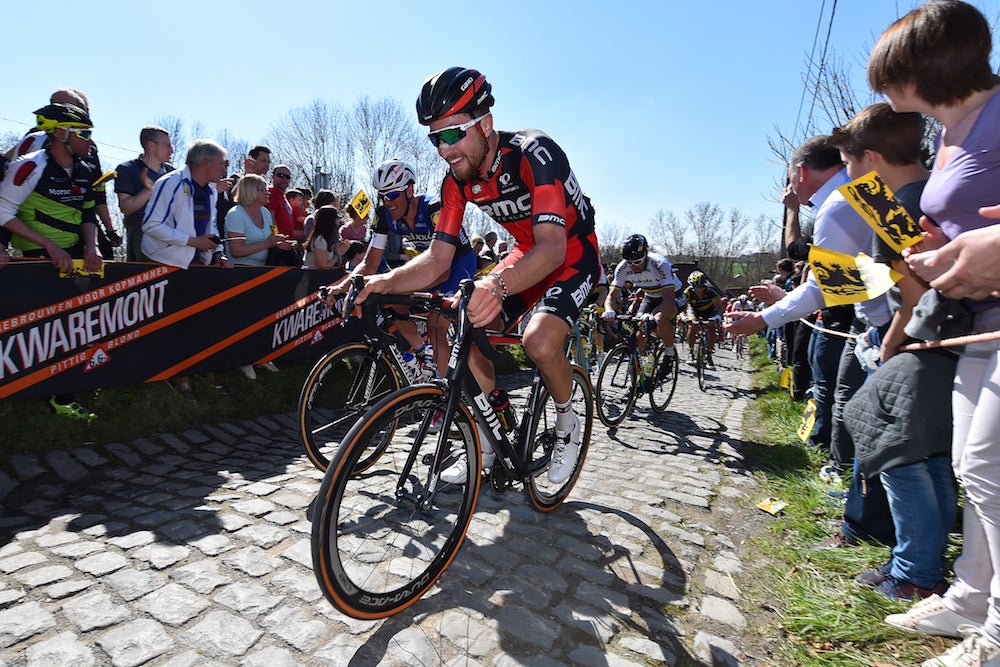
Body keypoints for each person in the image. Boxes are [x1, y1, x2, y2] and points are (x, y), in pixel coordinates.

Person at [349, 66, 601, 486]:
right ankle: (486, 436)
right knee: (459, 324)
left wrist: (495, 284)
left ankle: (566, 421)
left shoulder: (534, 153)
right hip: (527, 255)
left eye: (453, 134)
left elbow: (553, 248)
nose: (444, 150)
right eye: (435, 138)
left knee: (539, 341)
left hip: (572, 253)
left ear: (485, 124)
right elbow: (438, 259)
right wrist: (384, 282)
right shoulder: (456, 180)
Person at [866, 2, 1000, 664]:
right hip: (974, 318)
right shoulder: (948, 134)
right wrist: (934, 249)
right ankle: (971, 596)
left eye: (888, 76)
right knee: (973, 468)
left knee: (990, 467)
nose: (884, 92)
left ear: (922, 68)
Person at [0, 103, 104, 420]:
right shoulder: (30, 166)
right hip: (37, 256)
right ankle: (55, 396)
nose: (89, 140)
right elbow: (3, 212)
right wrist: (47, 245)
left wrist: (92, 245)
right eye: (83, 134)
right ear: (60, 133)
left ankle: (68, 389)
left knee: (77, 324)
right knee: (45, 329)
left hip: (73, 253)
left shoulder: (87, 169)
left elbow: (88, 213)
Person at [332, 158, 478, 381]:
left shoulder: (433, 209)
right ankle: (423, 352)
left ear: (410, 190)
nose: (387, 202)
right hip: (432, 264)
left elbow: (443, 266)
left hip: (458, 264)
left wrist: (397, 282)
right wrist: (342, 286)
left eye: (392, 195)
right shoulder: (384, 215)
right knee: (390, 303)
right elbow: (370, 263)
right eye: (382, 196)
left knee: (435, 324)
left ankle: (447, 392)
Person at [603, 234, 679, 371]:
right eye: (629, 262)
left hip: (672, 295)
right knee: (640, 329)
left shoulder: (660, 264)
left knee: (661, 321)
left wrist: (655, 319)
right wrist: (609, 310)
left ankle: (669, 353)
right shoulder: (622, 267)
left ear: (646, 255)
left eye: (637, 262)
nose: (633, 266)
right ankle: (641, 365)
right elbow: (611, 296)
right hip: (650, 295)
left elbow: (668, 300)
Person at [114, 126, 175, 261]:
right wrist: (148, 190)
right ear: (150, 145)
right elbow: (126, 208)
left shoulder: (173, 173)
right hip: (142, 240)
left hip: (172, 239)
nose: (172, 150)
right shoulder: (127, 169)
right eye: (167, 146)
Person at [224, 174, 288, 267]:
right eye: (263, 190)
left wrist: (279, 242)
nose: (268, 193)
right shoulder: (236, 214)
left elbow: (273, 236)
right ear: (250, 191)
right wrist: (266, 244)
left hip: (264, 267)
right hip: (240, 268)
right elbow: (236, 251)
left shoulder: (265, 212)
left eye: (267, 190)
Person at [681, 270, 722, 361]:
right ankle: (691, 351)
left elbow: (719, 306)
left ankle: (709, 353)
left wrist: (717, 317)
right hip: (694, 311)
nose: (699, 290)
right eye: (696, 287)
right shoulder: (687, 292)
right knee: (692, 326)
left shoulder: (711, 291)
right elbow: (680, 307)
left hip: (709, 311)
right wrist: (684, 317)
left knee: (712, 328)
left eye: (701, 287)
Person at [303, 205, 349, 272]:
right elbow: (323, 266)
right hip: (314, 275)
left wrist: (338, 251)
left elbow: (334, 263)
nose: (339, 220)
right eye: (337, 217)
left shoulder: (328, 239)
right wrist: (337, 255)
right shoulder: (320, 240)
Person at [267, 165, 295, 240]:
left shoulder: (283, 196)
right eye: (280, 175)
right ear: (273, 176)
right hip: (278, 243)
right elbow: (270, 218)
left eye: (287, 177)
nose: (284, 179)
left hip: (286, 242)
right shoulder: (271, 192)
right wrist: (276, 236)